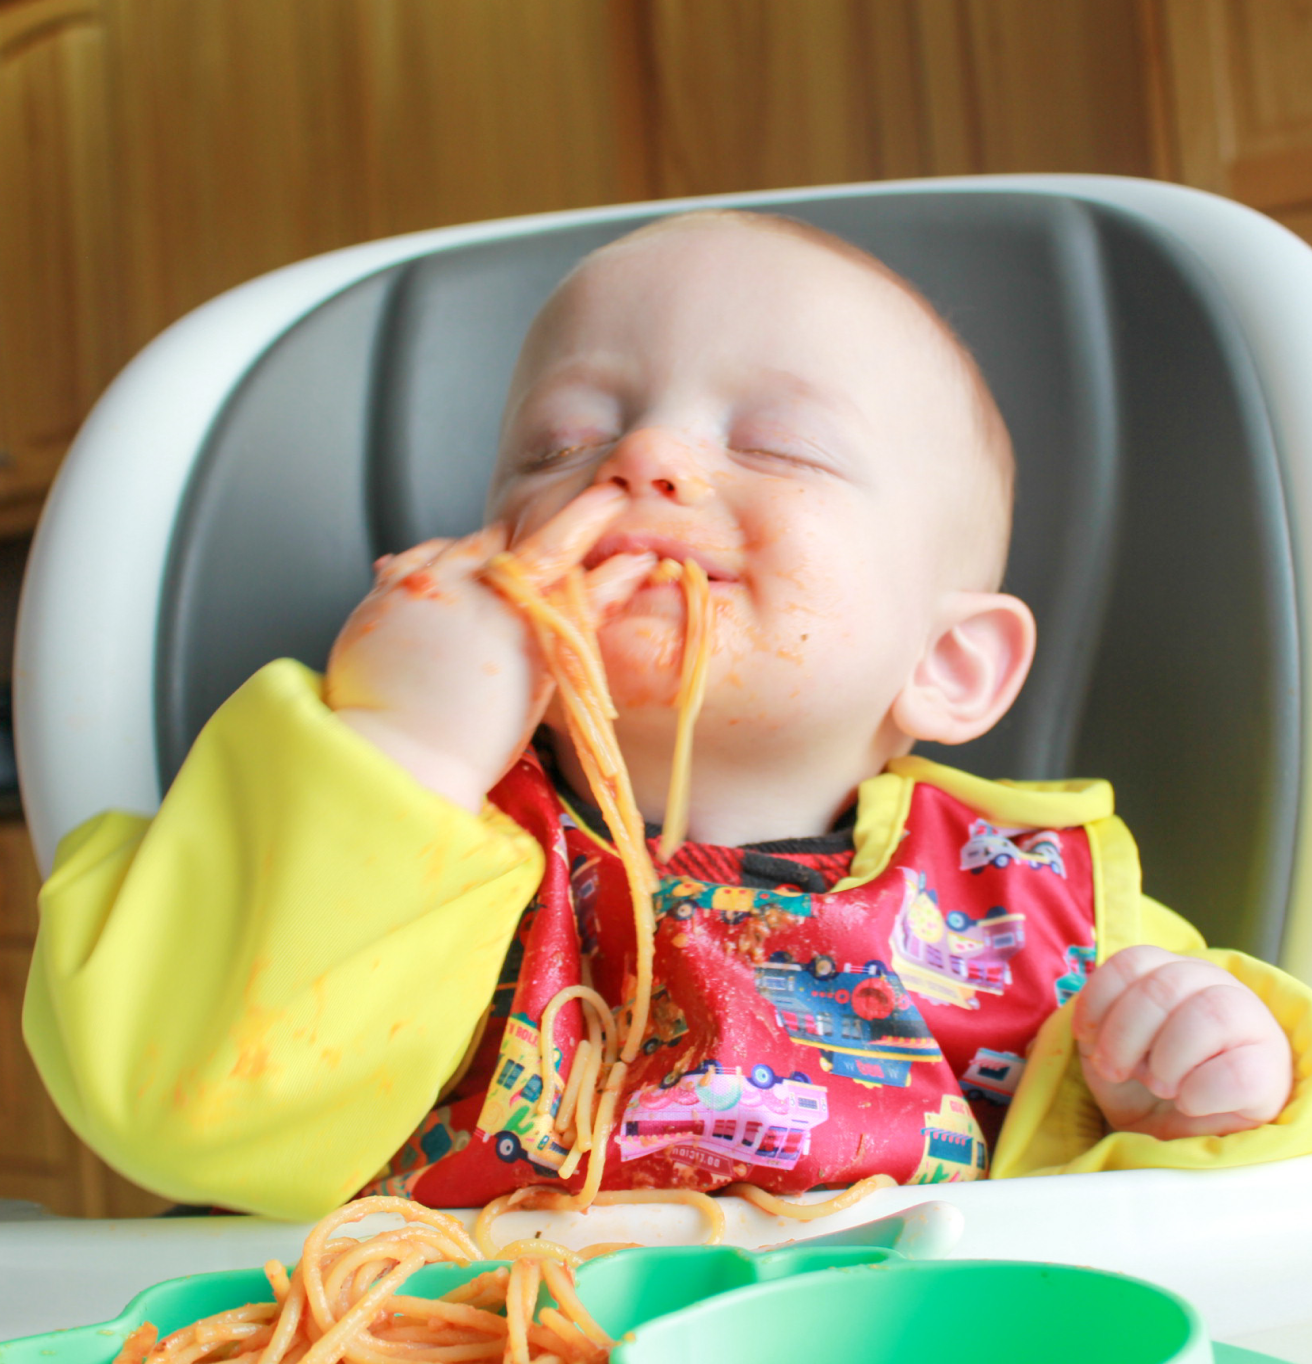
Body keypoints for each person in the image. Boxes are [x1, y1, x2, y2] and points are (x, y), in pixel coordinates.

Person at [24, 212, 1310, 1222]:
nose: (640, 462)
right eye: (556, 446)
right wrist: (400, 748)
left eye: (784, 445)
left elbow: (1153, 1262)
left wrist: (1191, 1108)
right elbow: (172, 1104)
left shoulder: (1040, 910)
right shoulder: (390, 832)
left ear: (950, 662)